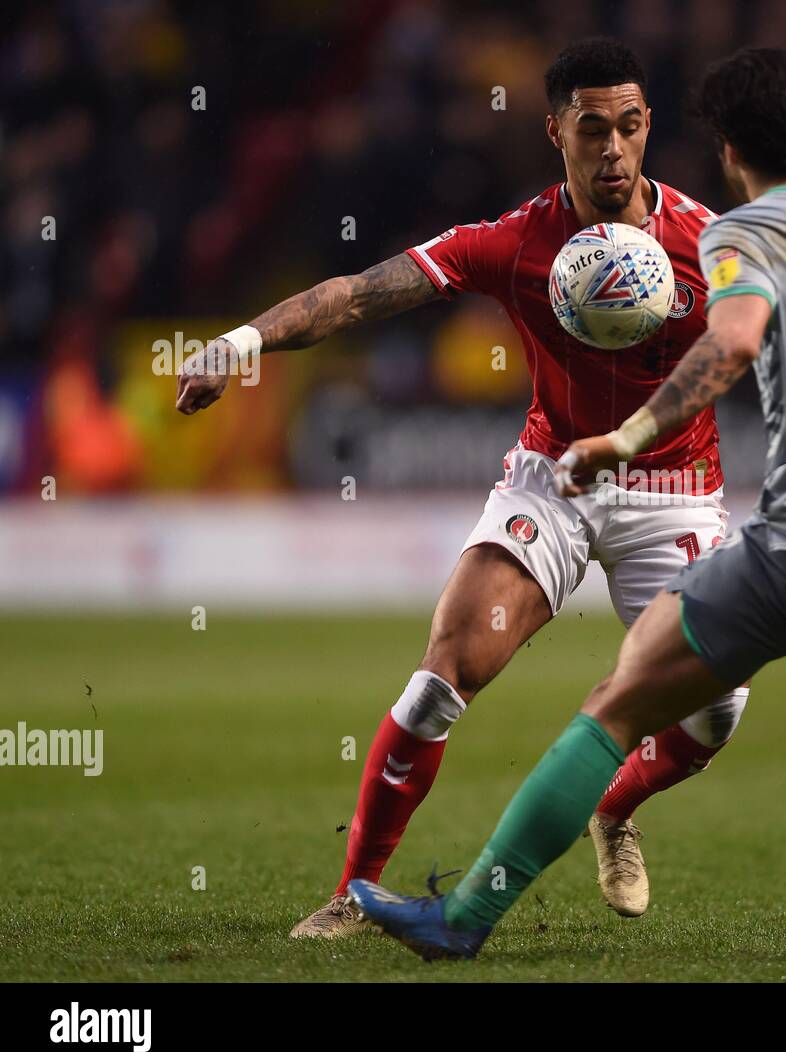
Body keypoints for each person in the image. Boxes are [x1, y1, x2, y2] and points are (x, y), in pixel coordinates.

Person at [346, 46, 786, 962]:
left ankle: (464, 918)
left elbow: (734, 342)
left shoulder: (736, 233)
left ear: (728, 148)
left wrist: (627, 436)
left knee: (623, 703)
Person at [174, 38, 750, 936]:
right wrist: (239, 344)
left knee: (715, 713)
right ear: (554, 129)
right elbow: (366, 292)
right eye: (591, 129)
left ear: (648, 129)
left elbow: (777, 337)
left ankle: (613, 808)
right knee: (445, 674)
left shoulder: (710, 245)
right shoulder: (517, 240)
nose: (612, 150)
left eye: (629, 127)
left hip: (674, 486)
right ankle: (353, 895)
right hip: (554, 478)